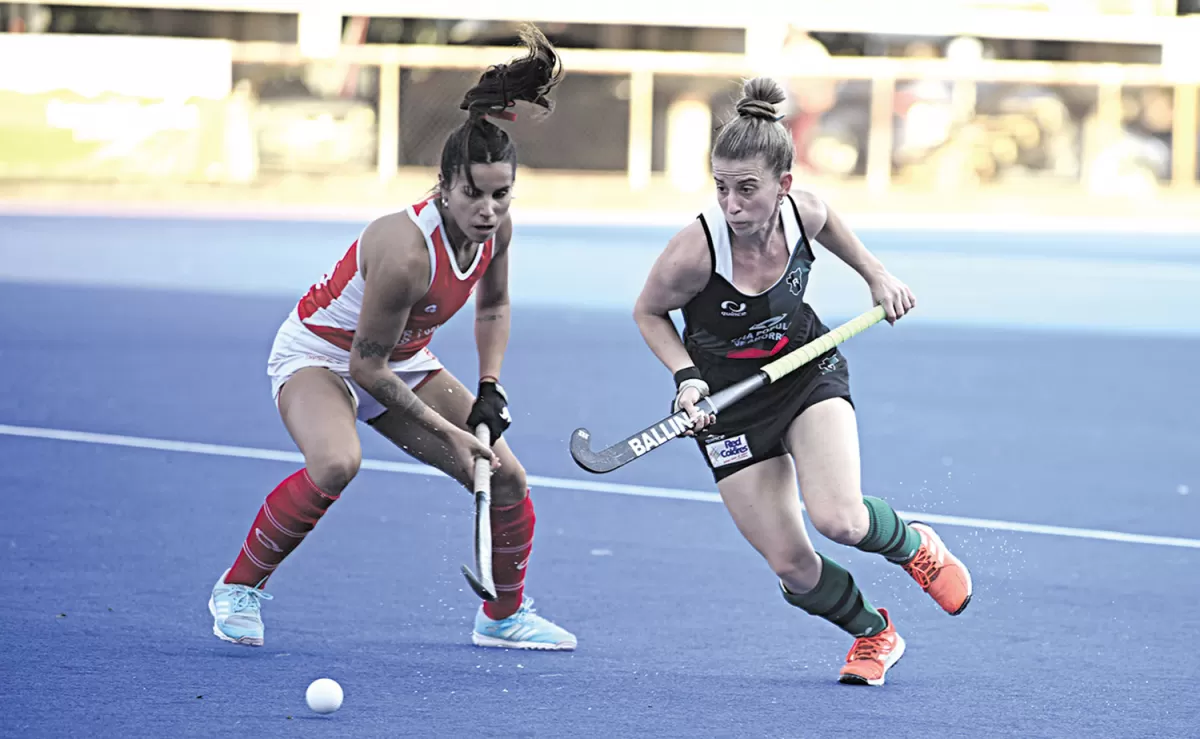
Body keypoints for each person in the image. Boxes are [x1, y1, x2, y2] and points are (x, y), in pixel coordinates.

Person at [207, 24, 576, 652]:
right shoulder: (404, 250)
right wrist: (455, 433)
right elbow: (366, 368)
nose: (487, 209)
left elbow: (494, 304)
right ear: (444, 186)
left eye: (501, 194)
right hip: (322, 356)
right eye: (473, 194)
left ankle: (502, 617)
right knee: (336, 462)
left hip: (401, 357)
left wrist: (488, 387)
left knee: (508, 479)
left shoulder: (497, 229)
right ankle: (238, 588)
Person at [632, 77, 971, 686]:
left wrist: (876, 275)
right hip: (727, 407)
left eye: (747, 189)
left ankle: (913, 546)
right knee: (791, 563)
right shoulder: (693, 252)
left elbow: (831, 223)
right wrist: (686, 379)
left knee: (840, 519)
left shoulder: (803, 211)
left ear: (783, 186)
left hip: (804, 371)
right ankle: (875, 634)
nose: (731, 205)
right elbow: (648, 313)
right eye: (721, 189)